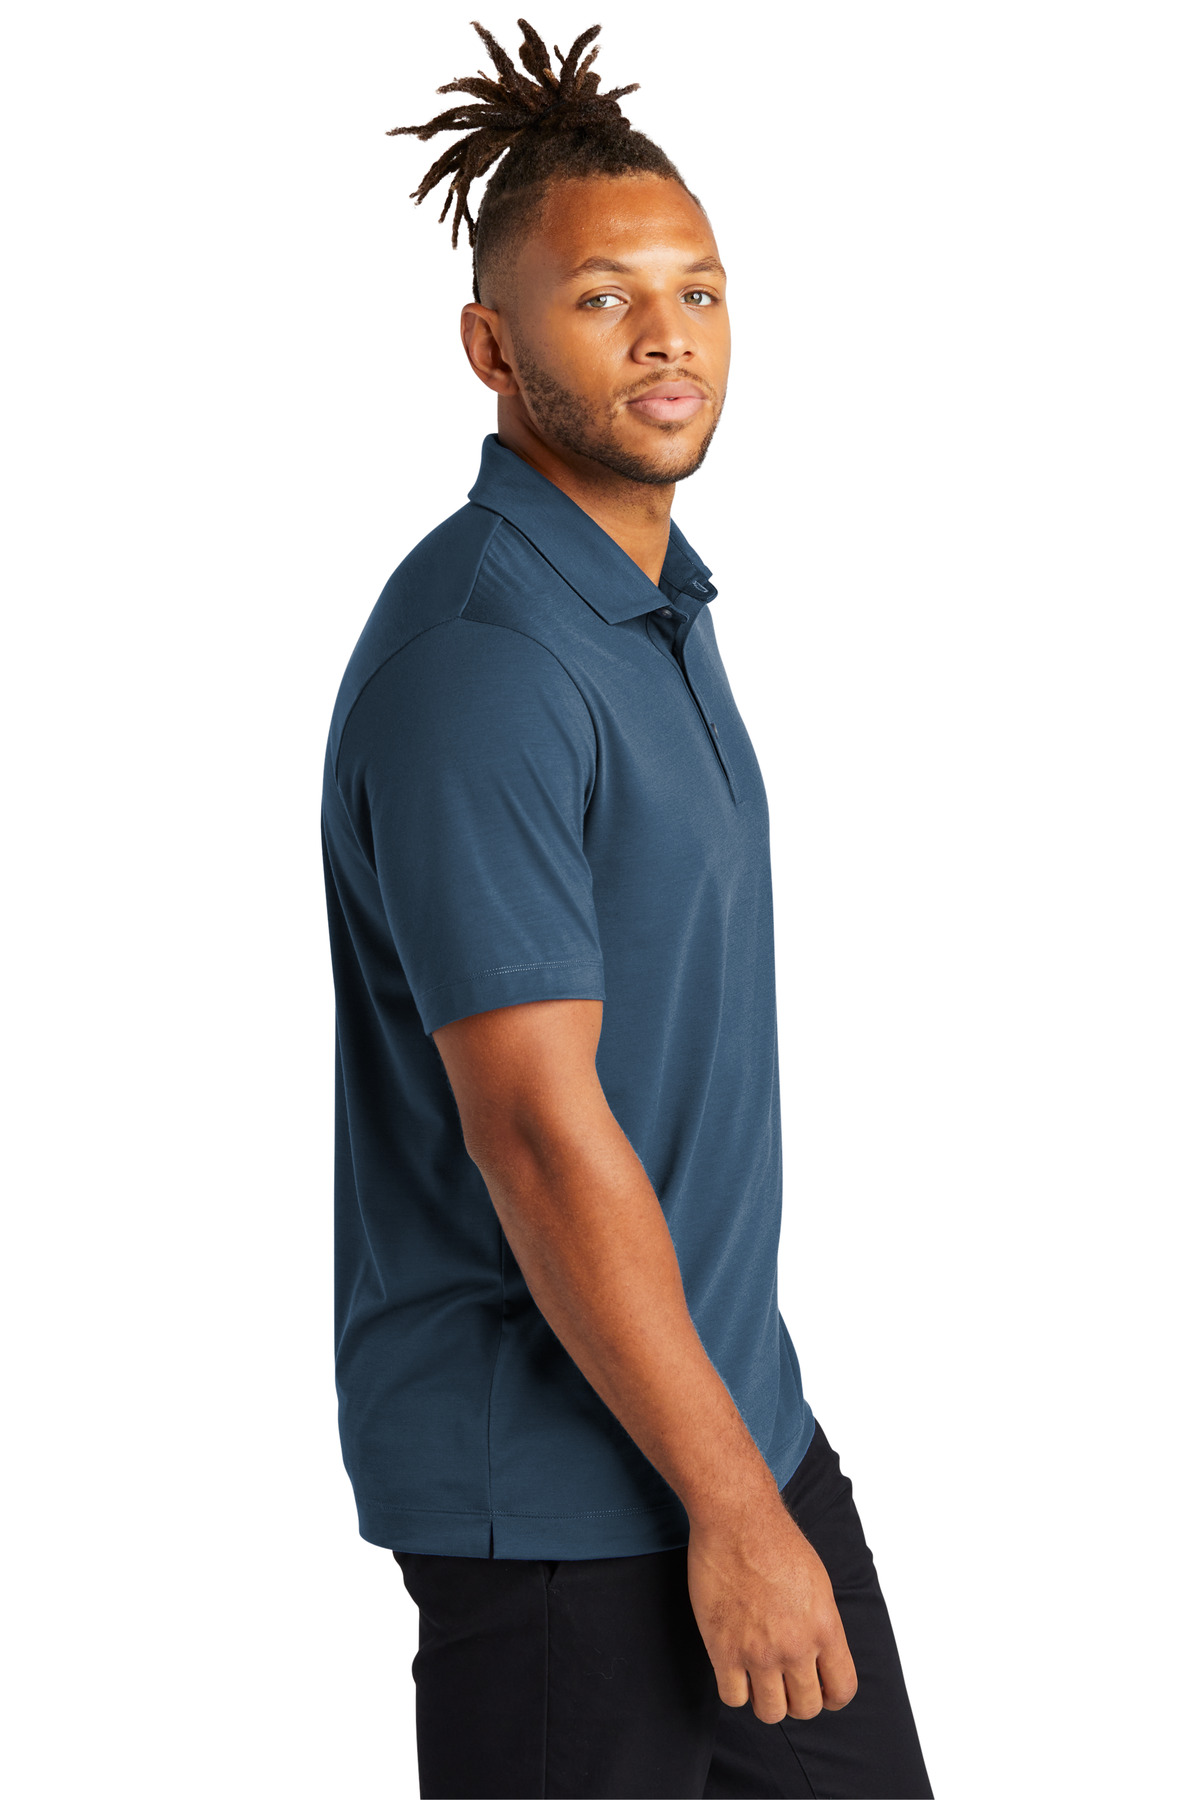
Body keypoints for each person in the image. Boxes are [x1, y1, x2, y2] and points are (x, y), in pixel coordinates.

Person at [320, 19, 933, 1798]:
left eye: (699, 292)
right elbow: (531, 1124)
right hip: (564, 1512)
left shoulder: (645, 602)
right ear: (492, 347)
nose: (669, 333)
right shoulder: (485, 661)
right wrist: (732, 1508)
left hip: (733, 1428)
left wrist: (752, 1473)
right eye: (604, 299)